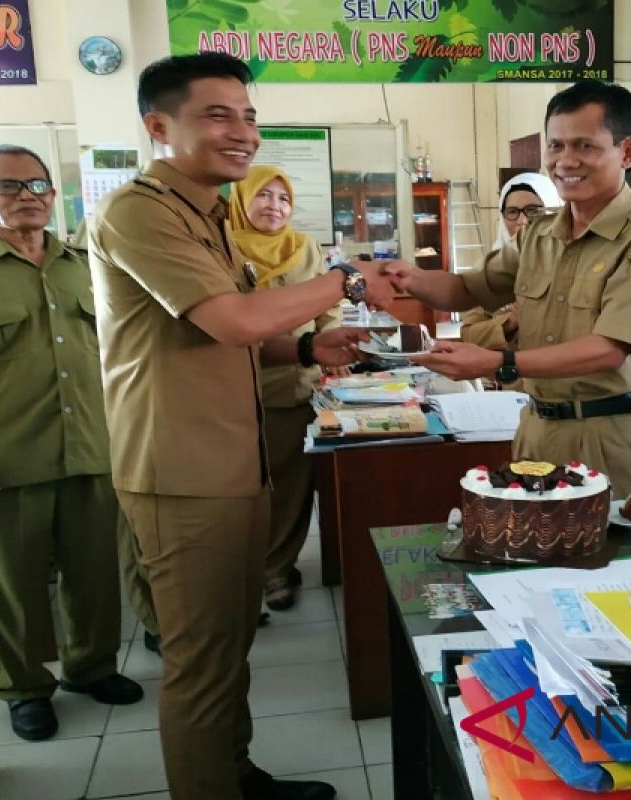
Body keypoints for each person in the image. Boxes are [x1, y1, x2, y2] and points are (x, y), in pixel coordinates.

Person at [88, 53, 392, 800]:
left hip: (230, 462)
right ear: (160, 128)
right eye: (217, 114)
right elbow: (231, 321)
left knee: (230, 650)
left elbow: (222, 338)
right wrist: (347, 279)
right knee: (201, 665)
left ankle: (234, 775)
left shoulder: (211, 213)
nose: (242, 131)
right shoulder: (141, 210)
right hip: (182, 475)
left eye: (248, 114)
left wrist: (306, 345)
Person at [0, 145, 143, 743]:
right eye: (8, 186)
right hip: (5, 459)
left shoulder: (85, 263)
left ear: (54, 194)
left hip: (93, 447)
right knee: (11, 586)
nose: (27, 196)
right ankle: (22, 688)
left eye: (38, 185)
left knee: (94, 574)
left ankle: (90, 668)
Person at [385, 80, 631, 502]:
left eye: (585, 146)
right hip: (538, 427)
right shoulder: (540, 232)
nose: (566, 162)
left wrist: (500, 361)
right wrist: (403, 278)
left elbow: (609, 349)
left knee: (614, 560)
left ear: (628, 152)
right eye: (556, 146)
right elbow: (467, 289)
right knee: (535, 548)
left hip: (612, 434)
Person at [227, 164, 343, 612]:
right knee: (242, 490)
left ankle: (277, 570)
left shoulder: (304, 248)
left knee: (291, 488)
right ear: (242, 199)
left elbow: (328, 305)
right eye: (263, 196)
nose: (274, 206)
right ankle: (240, 574)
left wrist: (333, 352)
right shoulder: (223, 248)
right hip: (236, 391)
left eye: (283, 199)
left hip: (297, 384)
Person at [460, 172, 561, 353]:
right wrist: (510, 322)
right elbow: (469, 335)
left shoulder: (573, 263)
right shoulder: (491, 268)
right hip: (507, 378)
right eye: (512, 212)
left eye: (533, 210)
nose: (523, 221)